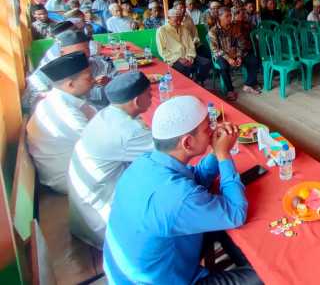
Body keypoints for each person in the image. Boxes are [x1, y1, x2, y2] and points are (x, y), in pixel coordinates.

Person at [103, 96, 260, 285]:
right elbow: (236, 213)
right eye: (206, 129)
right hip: (162, 280)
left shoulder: (145, 163)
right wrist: (223, 155)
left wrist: (213, 153)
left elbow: (195, 179)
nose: (212, 132)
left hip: (135, 270)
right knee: (268, 274)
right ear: (187, 143)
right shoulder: (179, 198)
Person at [68, 72, 153, 249]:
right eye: (149, 94)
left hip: (85, 212)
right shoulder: (129, 132)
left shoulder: (105, 115)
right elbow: (171, 151)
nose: (152, 97)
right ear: (137, 101)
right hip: (106, 222)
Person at [26, 52, 96, 193]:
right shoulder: (64, 111)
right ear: (70, 84)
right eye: (89, 77)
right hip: (68, 179)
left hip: (71, 166)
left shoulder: (57, 98)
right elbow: (98, 143)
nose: (94, 80)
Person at [208, 7, 261, 101]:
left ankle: (249, 84)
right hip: (222, 55)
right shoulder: (213, 31)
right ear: (219, 17)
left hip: (236, 53)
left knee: (253, 60)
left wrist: (239, 56)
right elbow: (215, 49)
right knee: (223, 67)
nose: (230, 18)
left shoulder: (234, 27)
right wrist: (228, 58)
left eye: (230, 15)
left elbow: (241, 43)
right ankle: (230, 90)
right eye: (227, 16)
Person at [157, 8, 211, 84]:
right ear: (168, 18)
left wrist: (190, 57)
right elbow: (162, 51)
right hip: (174, 59)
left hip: (188, 56)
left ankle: (197, 81)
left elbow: (191, 45)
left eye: (180, 20)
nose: (179, 22)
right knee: (184, 68)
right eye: (176, 20)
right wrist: (179, 59)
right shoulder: (161, 31)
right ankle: (188, 85)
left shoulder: (183, 28)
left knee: (206, 63)